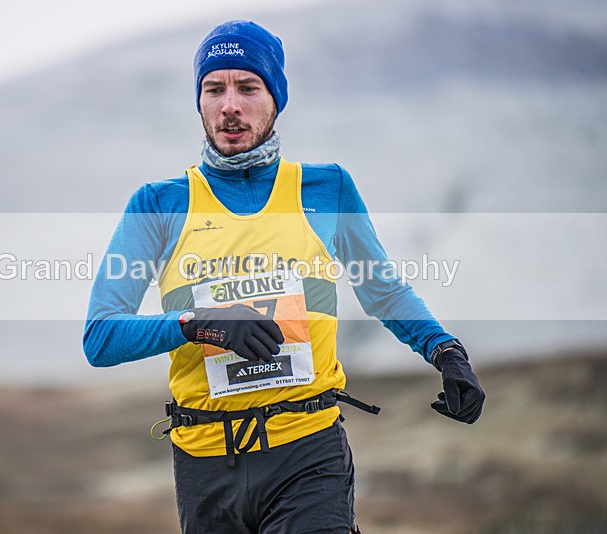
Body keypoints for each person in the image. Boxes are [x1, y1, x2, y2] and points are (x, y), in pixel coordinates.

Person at [83, 19, 484, 534]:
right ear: (199, 102)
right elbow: (101, 336)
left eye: (248, 88)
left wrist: (446, 350)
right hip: (205, 465)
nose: (230, 104)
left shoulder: (326, 189)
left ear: (275, 99)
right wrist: (199, 323)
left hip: (307, 456)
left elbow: (381, 288)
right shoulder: (158, 204)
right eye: (214, 88)